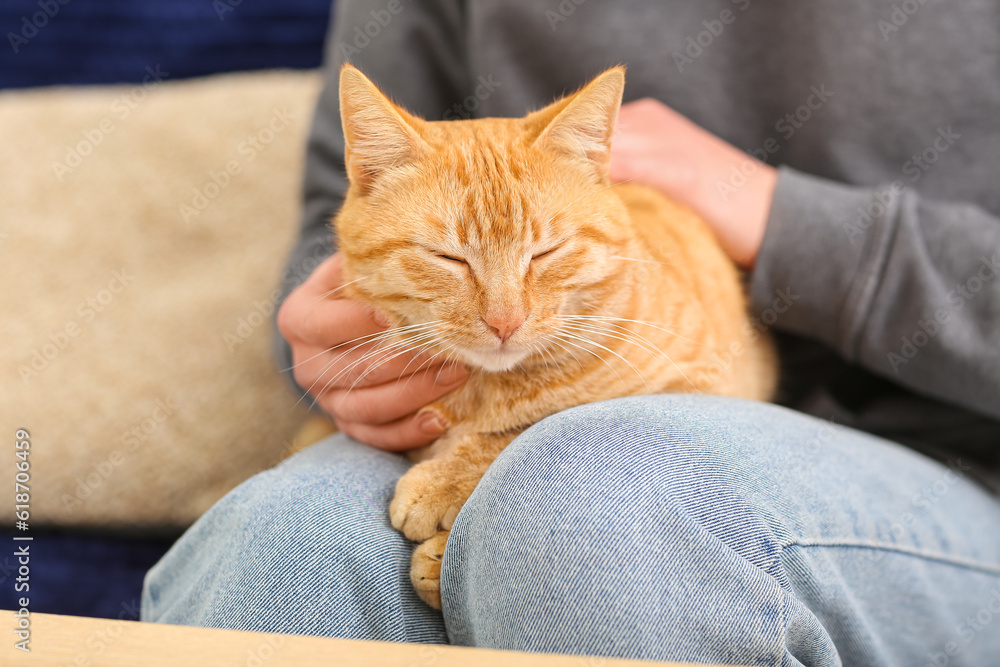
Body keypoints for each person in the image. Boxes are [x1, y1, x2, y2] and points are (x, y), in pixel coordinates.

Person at [141, 1, 1000, 664]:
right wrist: (333, 337)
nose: (505, 306)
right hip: (452, 370)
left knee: (589, 511)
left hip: (944, 451)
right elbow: (343, 215)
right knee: (276, 544)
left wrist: (787, 221)